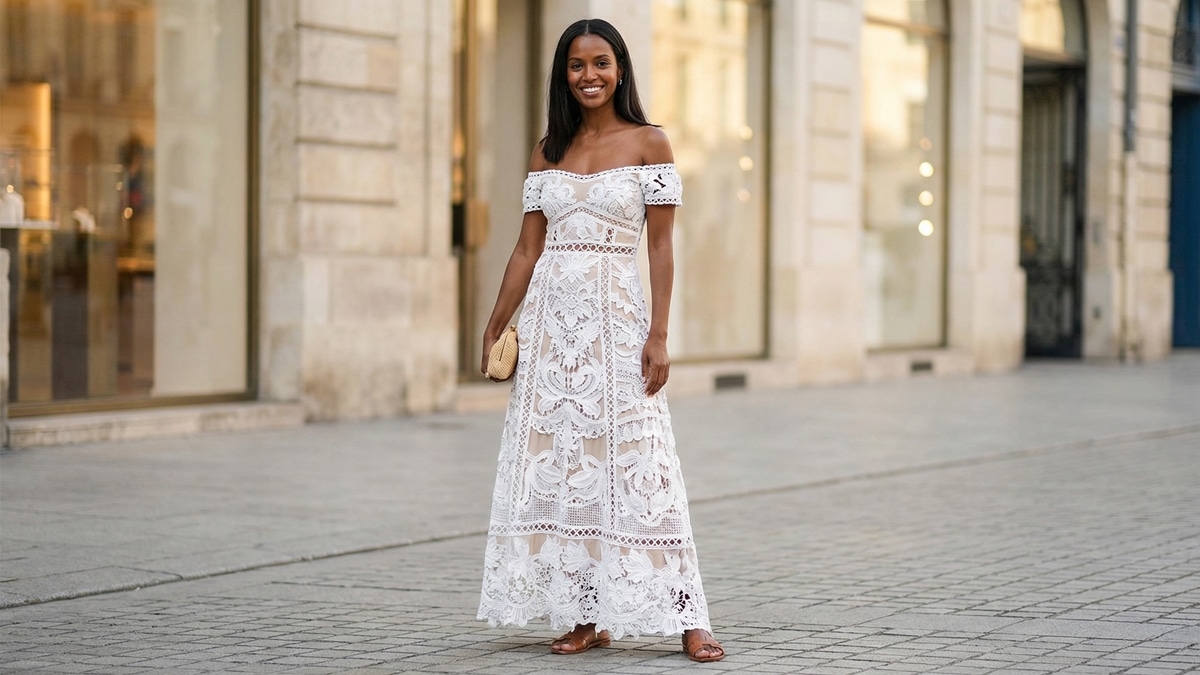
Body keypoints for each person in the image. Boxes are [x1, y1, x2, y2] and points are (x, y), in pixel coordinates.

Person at [475, 18, 725, 664]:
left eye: (600, 63)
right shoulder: (547, 150)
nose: (589, 76)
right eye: (577, 65)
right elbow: (527, 248)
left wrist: (659, 333)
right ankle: (587, 613)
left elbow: (663, 246)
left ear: (620, 70)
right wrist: (498, 320)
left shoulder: (650, 143)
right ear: (564, 75)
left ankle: (687, 612)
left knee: (645, 460)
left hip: (618, 322)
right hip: (556, 332)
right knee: (568, 462)